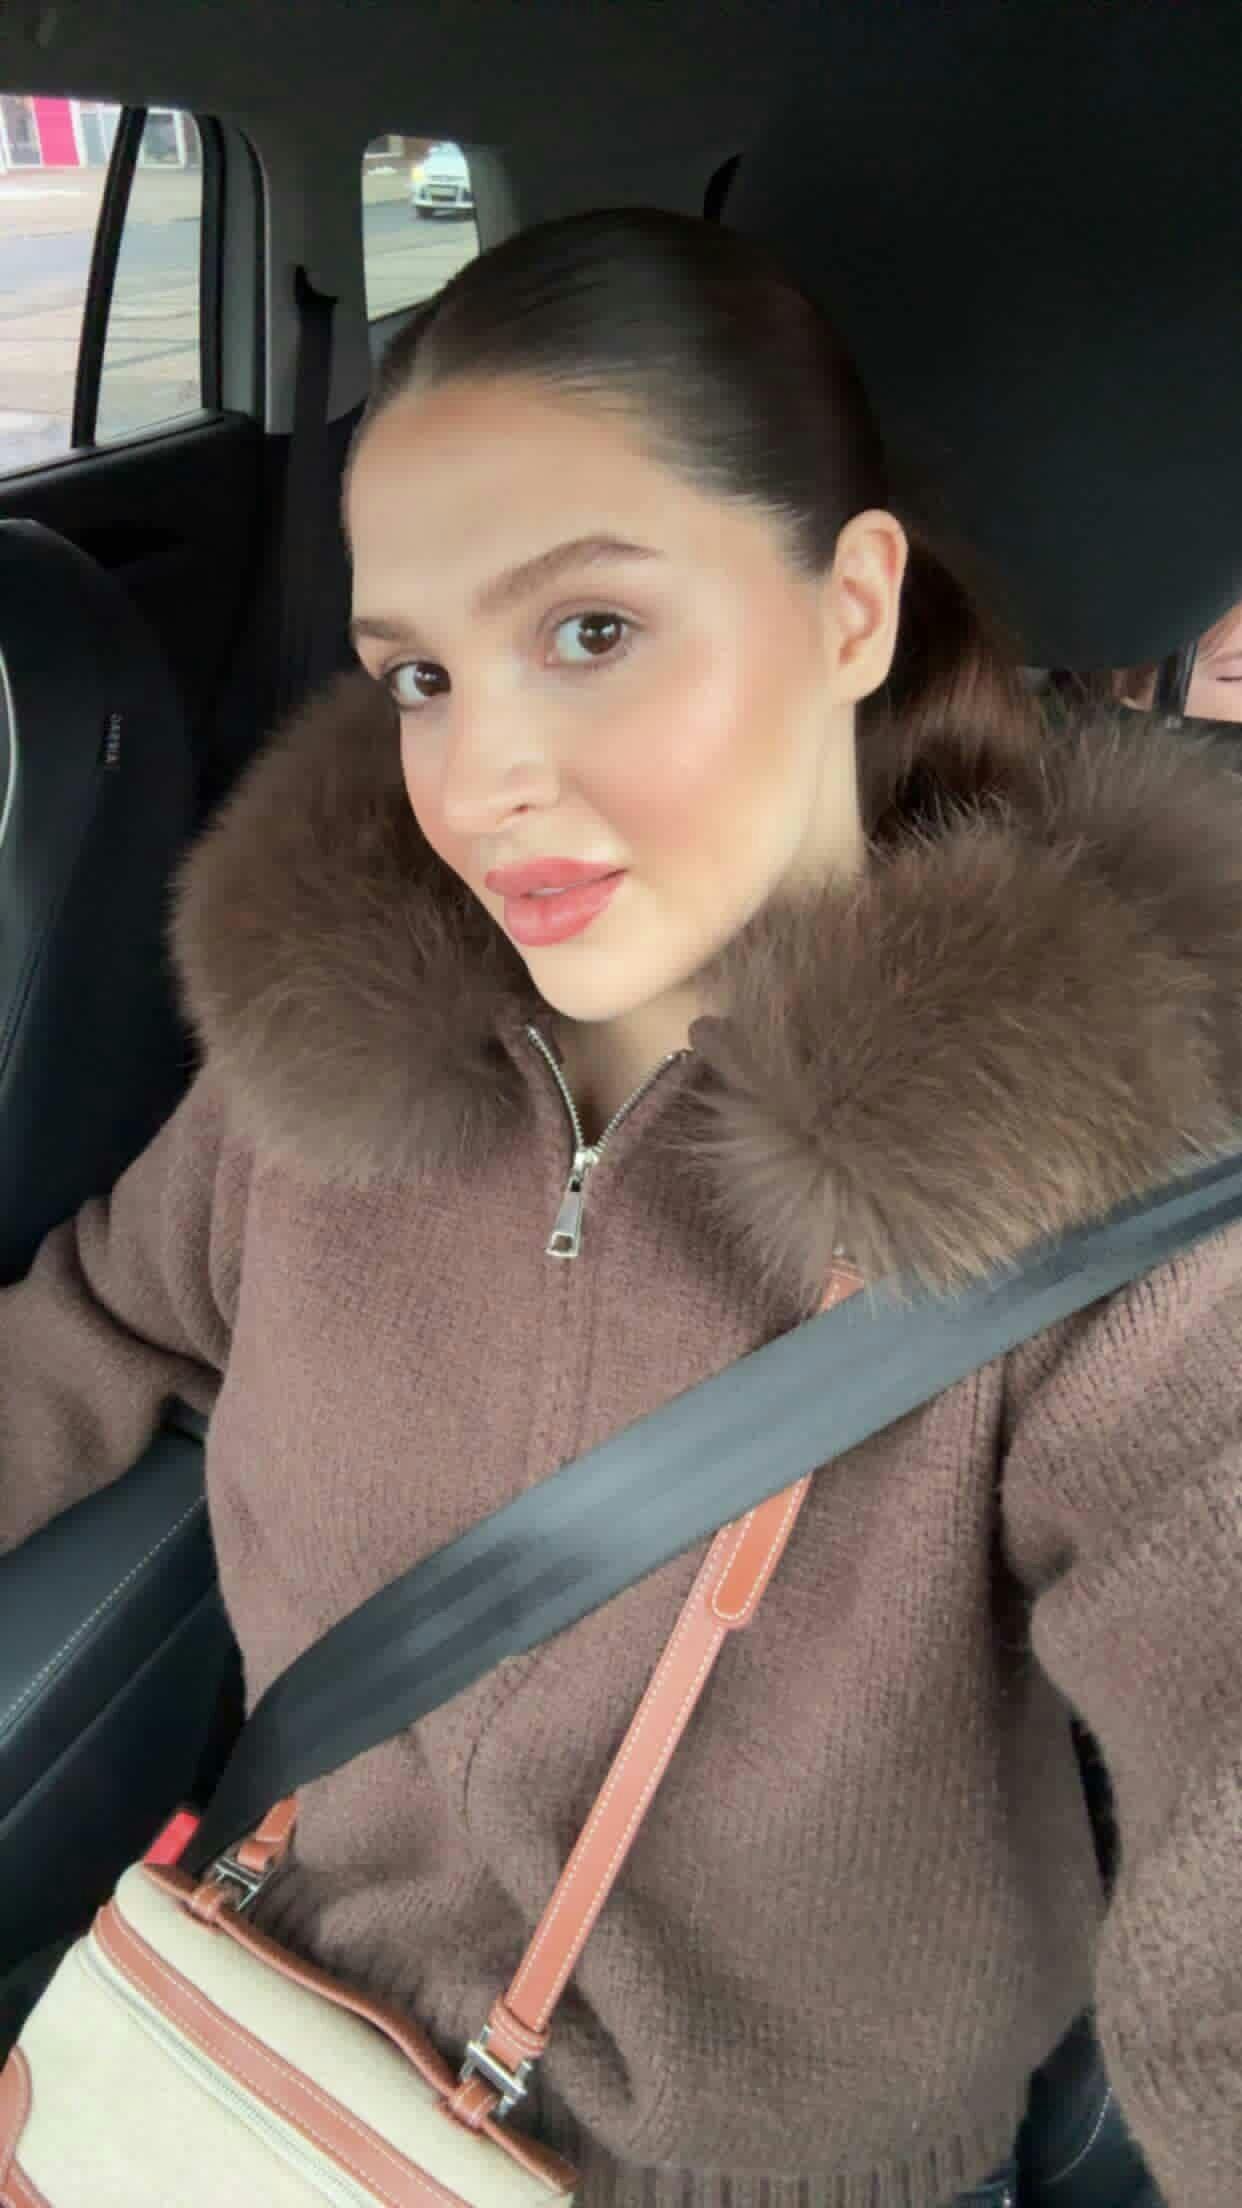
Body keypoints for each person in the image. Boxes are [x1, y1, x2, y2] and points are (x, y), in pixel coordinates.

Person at [2, 208, 1240, 2208]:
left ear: (850, 610)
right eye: (419, 674)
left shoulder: (1100, 1200)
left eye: (590, 631)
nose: (481, 777)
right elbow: (99, 1320)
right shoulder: (324, 1063)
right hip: (240, 2058)